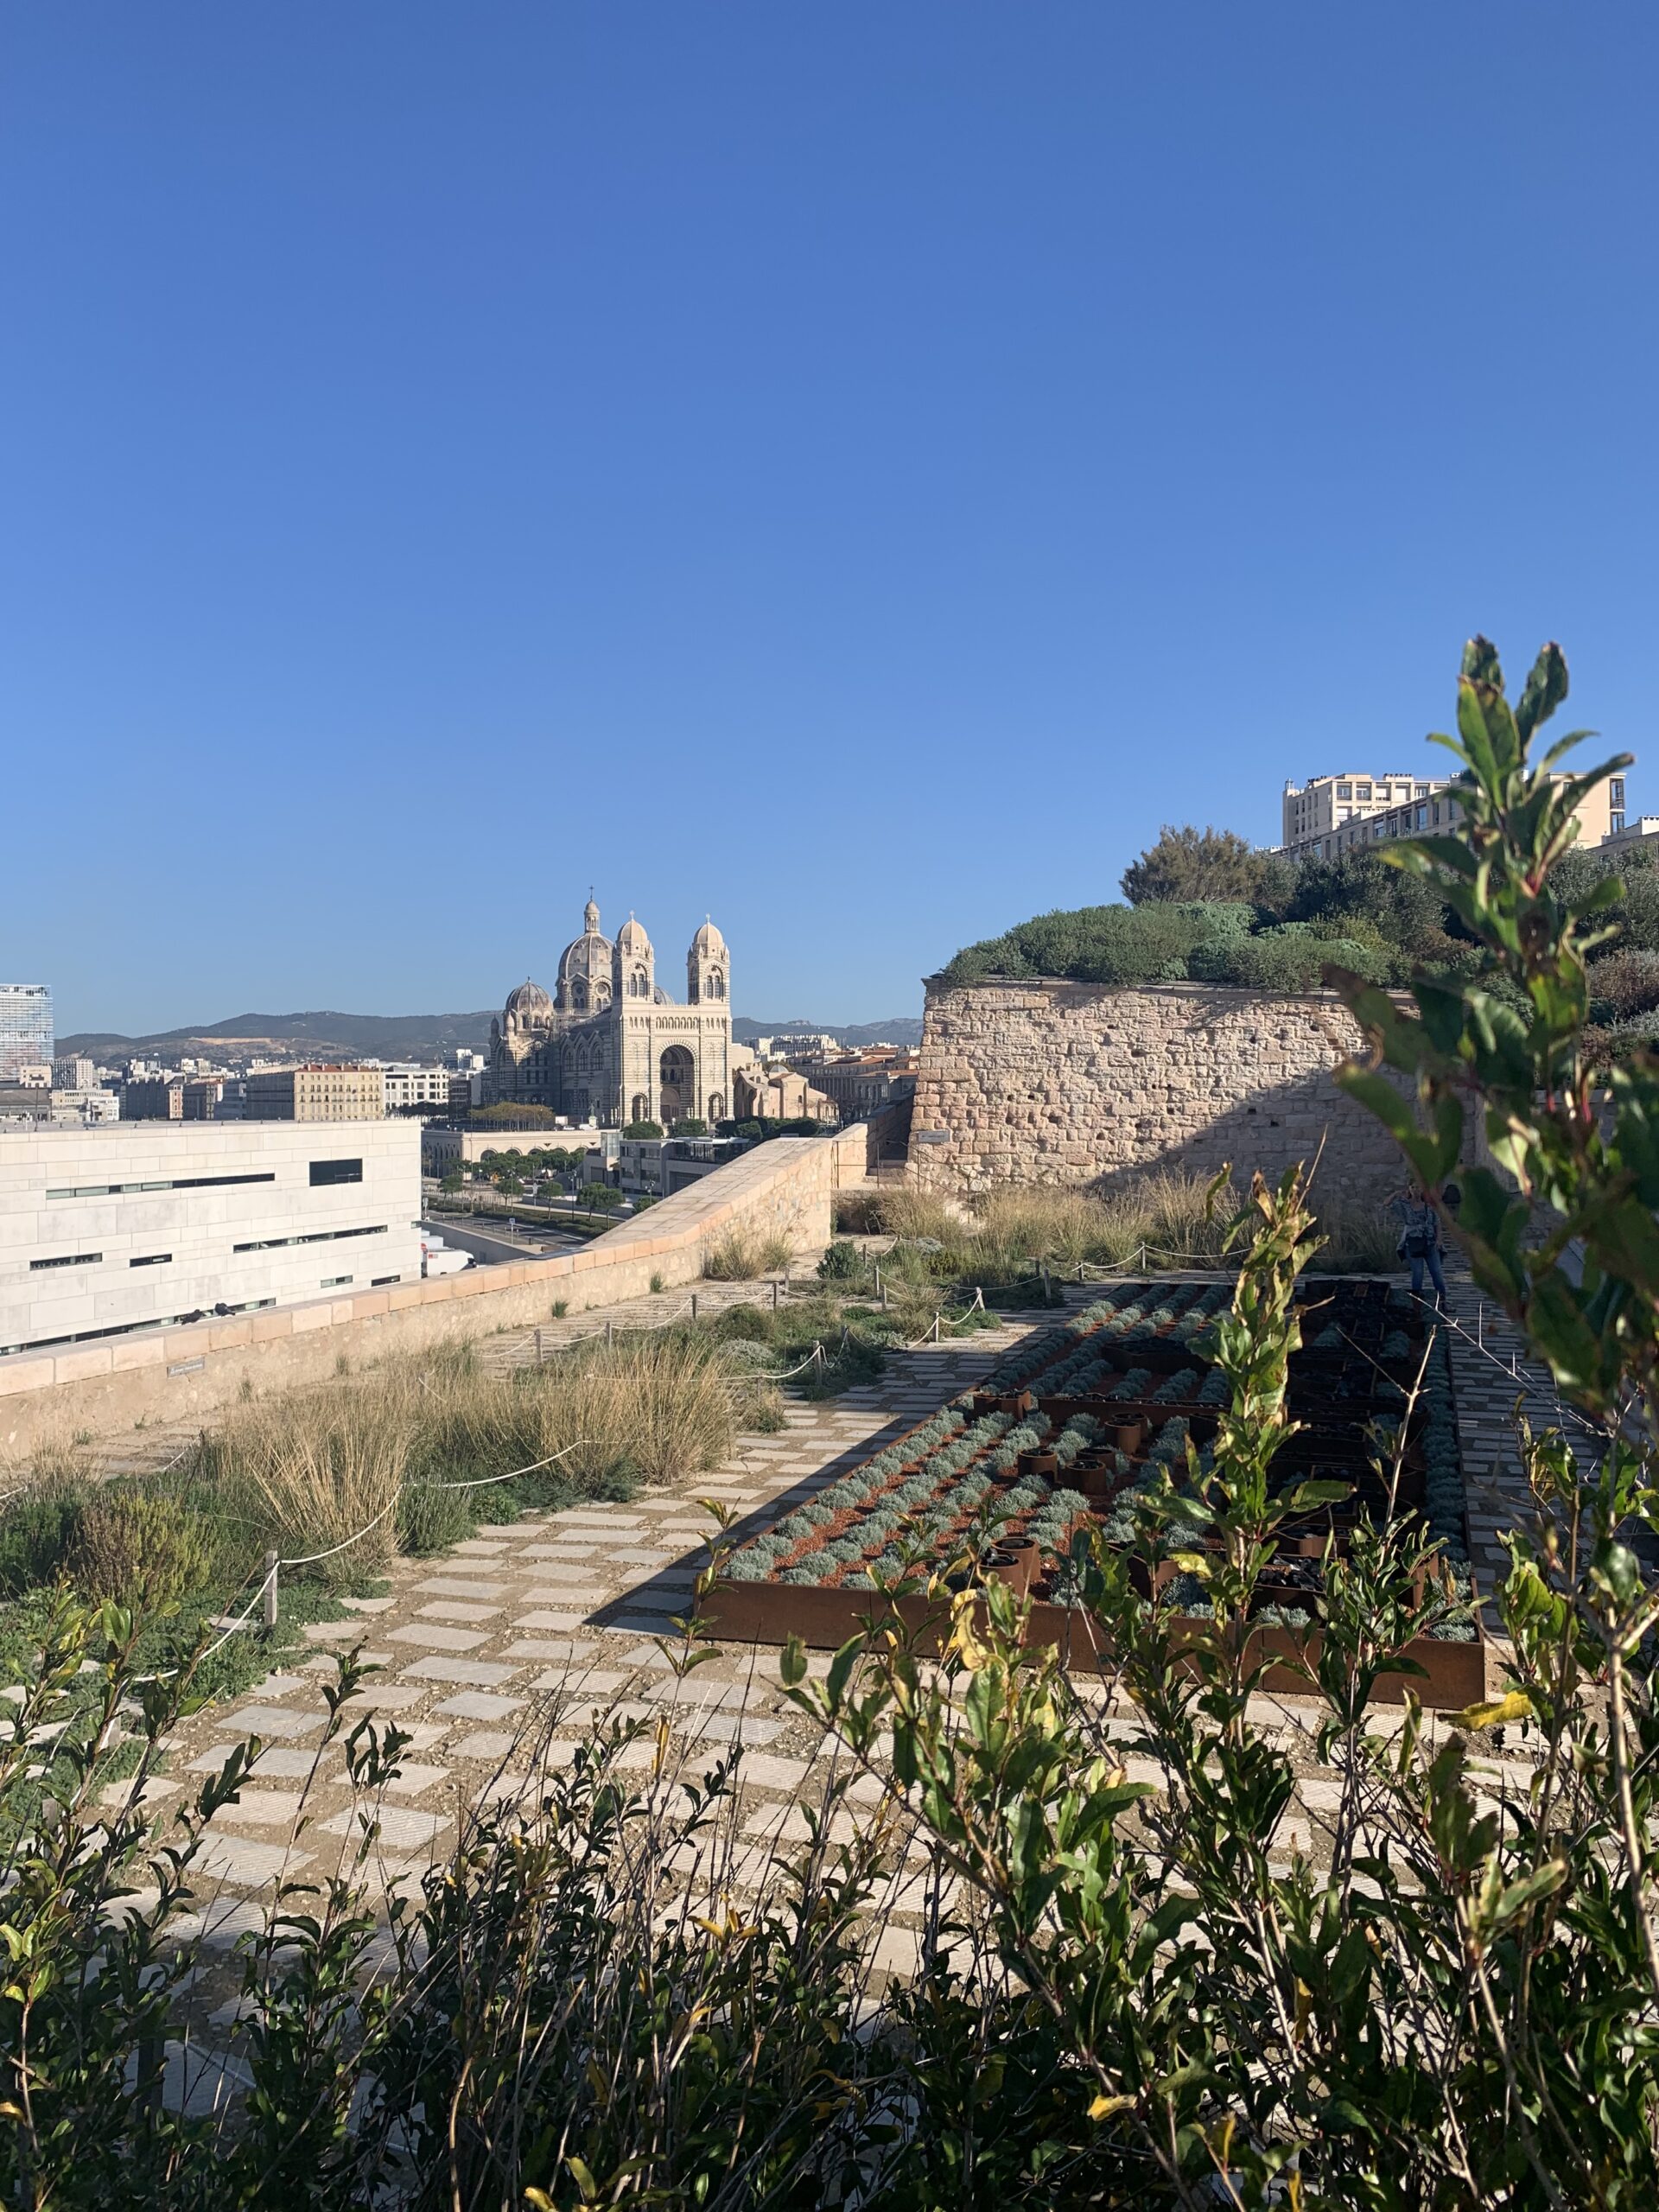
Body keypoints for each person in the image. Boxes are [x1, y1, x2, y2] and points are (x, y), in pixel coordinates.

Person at [1391, 1180, 1447, 1313]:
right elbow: (1387, 1204)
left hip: (1429, 1242)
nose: (1416, 1190)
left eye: (1418, 1187)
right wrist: (1396, 1194)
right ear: (1409, 1189)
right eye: (1413, 1187)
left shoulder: (1429, 1206)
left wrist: (1439, 1239)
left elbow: (1437, 1223)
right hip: (1413, 1242)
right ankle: (1416, 1302)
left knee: (1437, 1273)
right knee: (1418, 1273)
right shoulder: (1404, 1206)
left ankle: (1443, 1301)